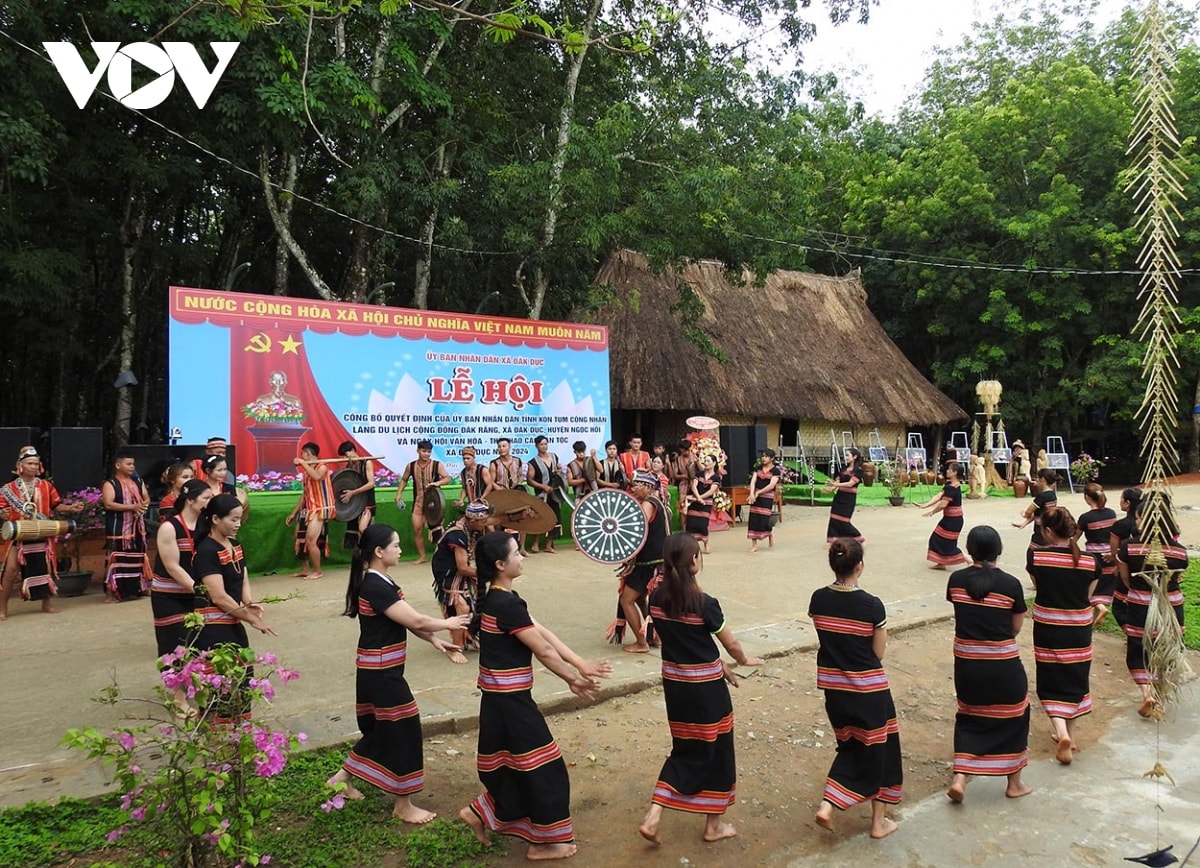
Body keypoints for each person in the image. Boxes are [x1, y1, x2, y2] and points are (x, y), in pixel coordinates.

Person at [458, 531, 612, 861]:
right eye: (517, 554)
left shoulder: (502, 600)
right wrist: (573, 678)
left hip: (502, 702)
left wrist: (580, 662)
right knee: (546, 769)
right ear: (501, 564)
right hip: (510, 705)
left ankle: (480, 812)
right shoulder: (505, 604)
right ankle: (547, 843)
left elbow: (543, 633)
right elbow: (541, 649)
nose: (522, 557)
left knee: (517, 767)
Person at [326, 523, 470, 823]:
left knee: (381, 729)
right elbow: (414, 617)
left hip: (377, 669)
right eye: (395, 545)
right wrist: (449, 624)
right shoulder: (376, 585)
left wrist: (434, 639)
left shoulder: (380, 581)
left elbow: (404, 621)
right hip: (381, 673)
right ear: (379, 552)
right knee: (404, 730)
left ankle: (342, 777)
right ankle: (403, 804)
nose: (400, 549)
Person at [638, 533, 763, 845]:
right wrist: (742, 659)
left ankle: (653, 816)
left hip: (676, 687)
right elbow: (730, 642)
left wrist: (715, 662)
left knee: (684, 748)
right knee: (719, 750)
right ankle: (713, 826)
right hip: (707, 691)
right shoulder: (705, 604)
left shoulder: (655, 599)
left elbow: (680, 640)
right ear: (694, 561)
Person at [809, 538, 901, 839]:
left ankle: (828, 804)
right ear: (859, 566)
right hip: (870, 693)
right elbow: (878, 653)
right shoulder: (872, 605)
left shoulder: (818, 600)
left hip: (835, 693)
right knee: (882, 751)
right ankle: (878, 822)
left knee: (849, 747)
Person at [944, 526, 1032, 803]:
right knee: (1016, 715)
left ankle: (960, 777)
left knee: (969, 715)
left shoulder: (956, 581)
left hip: (967, 665)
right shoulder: (1010, 584)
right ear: (999, 550)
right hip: (1002, 664)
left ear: (969, 550)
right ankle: (1014, 784)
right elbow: (1015, 627)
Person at [192, 493, 275, 724]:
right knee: (221, 680)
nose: (238, 524)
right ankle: (218, 738)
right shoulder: (206, 550)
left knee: (241, 678)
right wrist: (250, 618)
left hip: (232, 620)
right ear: (216, 519)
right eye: (233, 519)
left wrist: (249, 603)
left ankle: (237, 735)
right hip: (213, 625)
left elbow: (243, 580)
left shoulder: (235, 545)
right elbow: (218, 596)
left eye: (240, 519)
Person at [1025, 506, 1099, 764]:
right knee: (1076, 677)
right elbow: (1088, 596)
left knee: (1050, 677)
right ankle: (1072, 736)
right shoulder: (1091, 561)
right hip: (1079, 629)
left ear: (1047, 531)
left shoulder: (1037, 558)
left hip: (1048, 628)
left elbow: (1038, 586)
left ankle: (1060, 731)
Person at [1116, 492, 1186, 719]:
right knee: (1167, 650)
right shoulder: (1180, 551)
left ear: (1144, 520)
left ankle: (1147, 692)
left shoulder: (1129, 547)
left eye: (1137, 518)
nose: (1135, 522)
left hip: (1140, 604)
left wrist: (1140, 588)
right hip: (1172, 607)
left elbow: (1125, 579)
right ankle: (1160, 698)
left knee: (1139, 652)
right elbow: (1177, 579)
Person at [0, 446, 83, 619]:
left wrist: (70, 508)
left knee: (45, 568)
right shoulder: (7, 489)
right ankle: (2, 608)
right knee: (10, 571)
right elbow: (2, 509)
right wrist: (2, 513)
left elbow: (56, 505)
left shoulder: (46, 486)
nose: (33, 467)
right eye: (29, 463)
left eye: (36, 464)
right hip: (19, 534)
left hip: (41, 532)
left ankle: (47, 603)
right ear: (20, 465)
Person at [609, 469, 669, 654]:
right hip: (656, 561)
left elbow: (634, 531)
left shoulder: (648, 505)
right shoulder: (659, 503)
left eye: (636, 484)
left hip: (649, 564)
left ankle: (642, 642)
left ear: (648, 486)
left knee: (627, 600)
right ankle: (654, 636)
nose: (632, 488)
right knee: (642, 599)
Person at [151, 479, 213, 658]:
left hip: (197, 594)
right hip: (169, 595)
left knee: (202, 644)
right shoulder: (170, 527)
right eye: (206, 498)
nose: (210, 502)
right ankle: (177, 685)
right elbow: (172, 567)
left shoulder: (206, 525)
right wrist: (199, 589)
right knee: (175, 644)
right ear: (190, 500)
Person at [431, 501, 495, 663]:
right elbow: (463, 568)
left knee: (476, 601)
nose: (486, 524)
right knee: (463, 606)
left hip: (458, 569)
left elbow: (495, 520)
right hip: (448, 573)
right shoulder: (458, 534)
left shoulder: (471, 526)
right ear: (473, 520)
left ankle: (469, 634)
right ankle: (456, 647)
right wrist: (489, 574)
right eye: (483, 521)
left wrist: (518, 516)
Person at [101, 449, 153, 602]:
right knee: (116, 559)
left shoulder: (138, 481)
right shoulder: (110, 483)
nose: (132, 467)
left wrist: (143, 505)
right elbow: (109, 504)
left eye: (133, 464)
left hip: (137, 527)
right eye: (128, 464)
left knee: (137, 557)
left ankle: (138, 588)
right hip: (119, 528)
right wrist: (132, 507)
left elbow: (147, 498)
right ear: (118, 465)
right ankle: (111, 592)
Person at [286, 442, 336, 579]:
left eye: (303, 453)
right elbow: (305, 494)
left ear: (308, 453)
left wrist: (302, 463)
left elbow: (317, 477)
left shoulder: (322, 466)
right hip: (308, 508)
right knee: (300, 538)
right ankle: (305, 569)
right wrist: (294, 513)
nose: (301, 456)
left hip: (320, 508)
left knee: (311, 540)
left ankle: (317, 571)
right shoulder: (306, 472)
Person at [397, 440, 451, 565]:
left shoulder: (437, 465)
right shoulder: (411, 466)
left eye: (429, 452)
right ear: (418, 451)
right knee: (417, 529)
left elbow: (448, 478)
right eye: (424, 451)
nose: (426, 454)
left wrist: (437, 483)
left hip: (434, 503)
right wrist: (399, 494)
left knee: (437, 530)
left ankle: (442, 556)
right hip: (419, 502)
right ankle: (422, 556)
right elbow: (404, 479)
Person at [1075, 483, 1118, 625]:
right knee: (1105, 585)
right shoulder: (1111, 513)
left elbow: (1075, 538)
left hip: (1095, 556)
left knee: (1091, 585)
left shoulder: (1086, 518)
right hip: (1110, 555)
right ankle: (1098, 612)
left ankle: (1099, 607)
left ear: (1087, 497)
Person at [918, 461, 967, 569]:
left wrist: (932, 512)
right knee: (939, 540)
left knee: (944, 542)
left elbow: (943, 504)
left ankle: (969, 560)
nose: (947, 471)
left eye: (950, 469)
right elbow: (938, 496)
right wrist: (924, 506)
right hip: (952, 519)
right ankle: (942, 563)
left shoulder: (952, 488)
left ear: (954, 472)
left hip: (953, 521)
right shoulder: (950, 485)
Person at [1108, 487, 1143, 632]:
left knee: (1119, 605)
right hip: (1143, 568)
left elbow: (1114, 551)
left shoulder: (1120, 525)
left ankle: (1132, 633)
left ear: (1127, 503)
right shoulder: (1147, 524)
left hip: (1126, 570)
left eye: (1122, 499)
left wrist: (1116, 563)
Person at [526, 435, 563, 555]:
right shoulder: (533, 462)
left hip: (555, 494)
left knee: (555, 518)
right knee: (540, 518)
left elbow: (558, 472)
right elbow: (530, 480)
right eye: (541, 444)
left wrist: (558, 472)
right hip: (542, 495)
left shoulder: (554, 457)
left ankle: (548, 545)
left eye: (545, 444)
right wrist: (543, 487)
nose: (544, 446)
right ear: (536, 446)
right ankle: (536, 543)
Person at [336, 441, 376, 550]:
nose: (345, 457)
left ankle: (370, 553)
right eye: (343, 456)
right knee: (354, 534)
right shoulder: (349, 466)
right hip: (354, 505)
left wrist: (353, 492)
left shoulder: (366, 463)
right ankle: (360, 557)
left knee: (363, 529)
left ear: (353, 451)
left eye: (346, 454)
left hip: (367, 502)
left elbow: (371, 483)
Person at [824, 447, 865, 544]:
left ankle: (857, 537)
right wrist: (830, 489)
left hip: (849, 499)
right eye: (845, 455)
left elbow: (850, 484)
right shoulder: (843, 468)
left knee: (844, 520)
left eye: (847, 455)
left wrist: (835, 485)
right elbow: (838, 480)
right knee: (834, 518)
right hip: (839, 497)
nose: (845, 457)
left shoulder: (858, 471)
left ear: (854, 457)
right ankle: (835, 540)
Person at [1012, 468, 1058, 546]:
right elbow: (1039, 512)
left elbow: (1029, 511)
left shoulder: (1041, 496)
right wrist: (1025, 523)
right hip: (1049, 528)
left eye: (1038, 478)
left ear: (1042, 479)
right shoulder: (1053, 495)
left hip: (1040, 531)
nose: (1036, 480)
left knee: (1033, 552)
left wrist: (1025, 514)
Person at [685, 454, 721, 553]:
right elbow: (694, 486)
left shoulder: (716, 477)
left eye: (709, 461)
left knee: (702, 524)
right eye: (705, 460)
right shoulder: (699, 474)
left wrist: (701, 498)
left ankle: (706, 543)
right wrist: (698, 497)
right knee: (691, 523)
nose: (706, 462)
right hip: (695, 501)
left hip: (706, 503)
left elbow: (711, 491)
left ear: (714, 463)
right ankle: (691, 546)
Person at [747, 449, 780, 553]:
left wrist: (759, 492)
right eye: (763, 456)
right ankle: (754, 544)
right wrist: (752, 493)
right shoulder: (758, 468)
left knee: (764, 519)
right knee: (754, 519)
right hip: (756, 496)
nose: (763, 458)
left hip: (767, 497)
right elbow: (753, 482)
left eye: (766, 456)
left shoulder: (776, 471)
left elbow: (771, 485)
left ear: (772, 458)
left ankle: (769, 533)